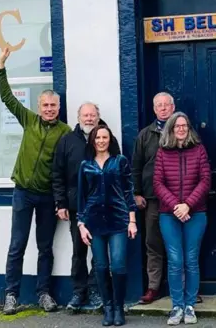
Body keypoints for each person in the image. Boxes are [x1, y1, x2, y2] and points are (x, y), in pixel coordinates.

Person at [0, 47, 71, 315]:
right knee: (17, 245)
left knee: (45, 247)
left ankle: (44, 293)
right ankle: (11, 295)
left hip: (48, 196)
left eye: (53, 106)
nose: (49, 109)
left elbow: (68, 168)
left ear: (59, 108)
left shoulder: (66, 133)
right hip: (23, 193)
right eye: (45, 106)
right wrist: (1, 66)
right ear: (39, 107)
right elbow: (7, 97)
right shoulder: (29, 120)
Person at [153, 112, 211, 326]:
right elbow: (157, 183)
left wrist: (188, 204)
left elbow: (205, 181)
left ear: (188, 128)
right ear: (170, 128)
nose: (181, 129)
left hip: (196, 213)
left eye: (184, 125)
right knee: (175, 261)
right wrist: (176, 206)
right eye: (176, 126)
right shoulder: (162, 152)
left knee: (191, 259)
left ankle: (189, 306)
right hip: (169, 214)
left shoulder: (199, 150)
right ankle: (176, 306)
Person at [77, 125, 137, 326]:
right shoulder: (85, 165)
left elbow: (128, 191)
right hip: (94, 222)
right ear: (92, 141)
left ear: (110, 140)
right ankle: (108, 306)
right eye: (98, 137)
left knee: (118, 265)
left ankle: (119, 307)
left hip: (119, 220)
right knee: (101, 267)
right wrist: (81, 224)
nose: (101, 141)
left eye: (105, 137)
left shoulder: (120, 162)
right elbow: (81, 197)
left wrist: (132, 220)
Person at [52, 102, 109, 311]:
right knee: (79, 251)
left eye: (92, 115)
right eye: (85, 115)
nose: (89, 119)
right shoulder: (67, 141)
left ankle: (96, 291)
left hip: (102, 206)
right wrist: (60, 203)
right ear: (78, 118)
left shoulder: (107, 139)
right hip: (77, 206)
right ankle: (78, 292)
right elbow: (57, 174)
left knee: (99, 252)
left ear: (98, 116)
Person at [132, 92, 175, 304]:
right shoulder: (145, 135)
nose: (163, 108)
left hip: (178, 199)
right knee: (153, 244)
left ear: (173, 107)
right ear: (154, 109)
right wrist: (137, 192)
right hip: (152, 198)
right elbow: (136, 166)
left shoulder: (183, 130)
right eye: (159, 105)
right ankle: (153, 287)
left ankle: (185, 287)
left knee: (180, 244)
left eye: (167, 105)